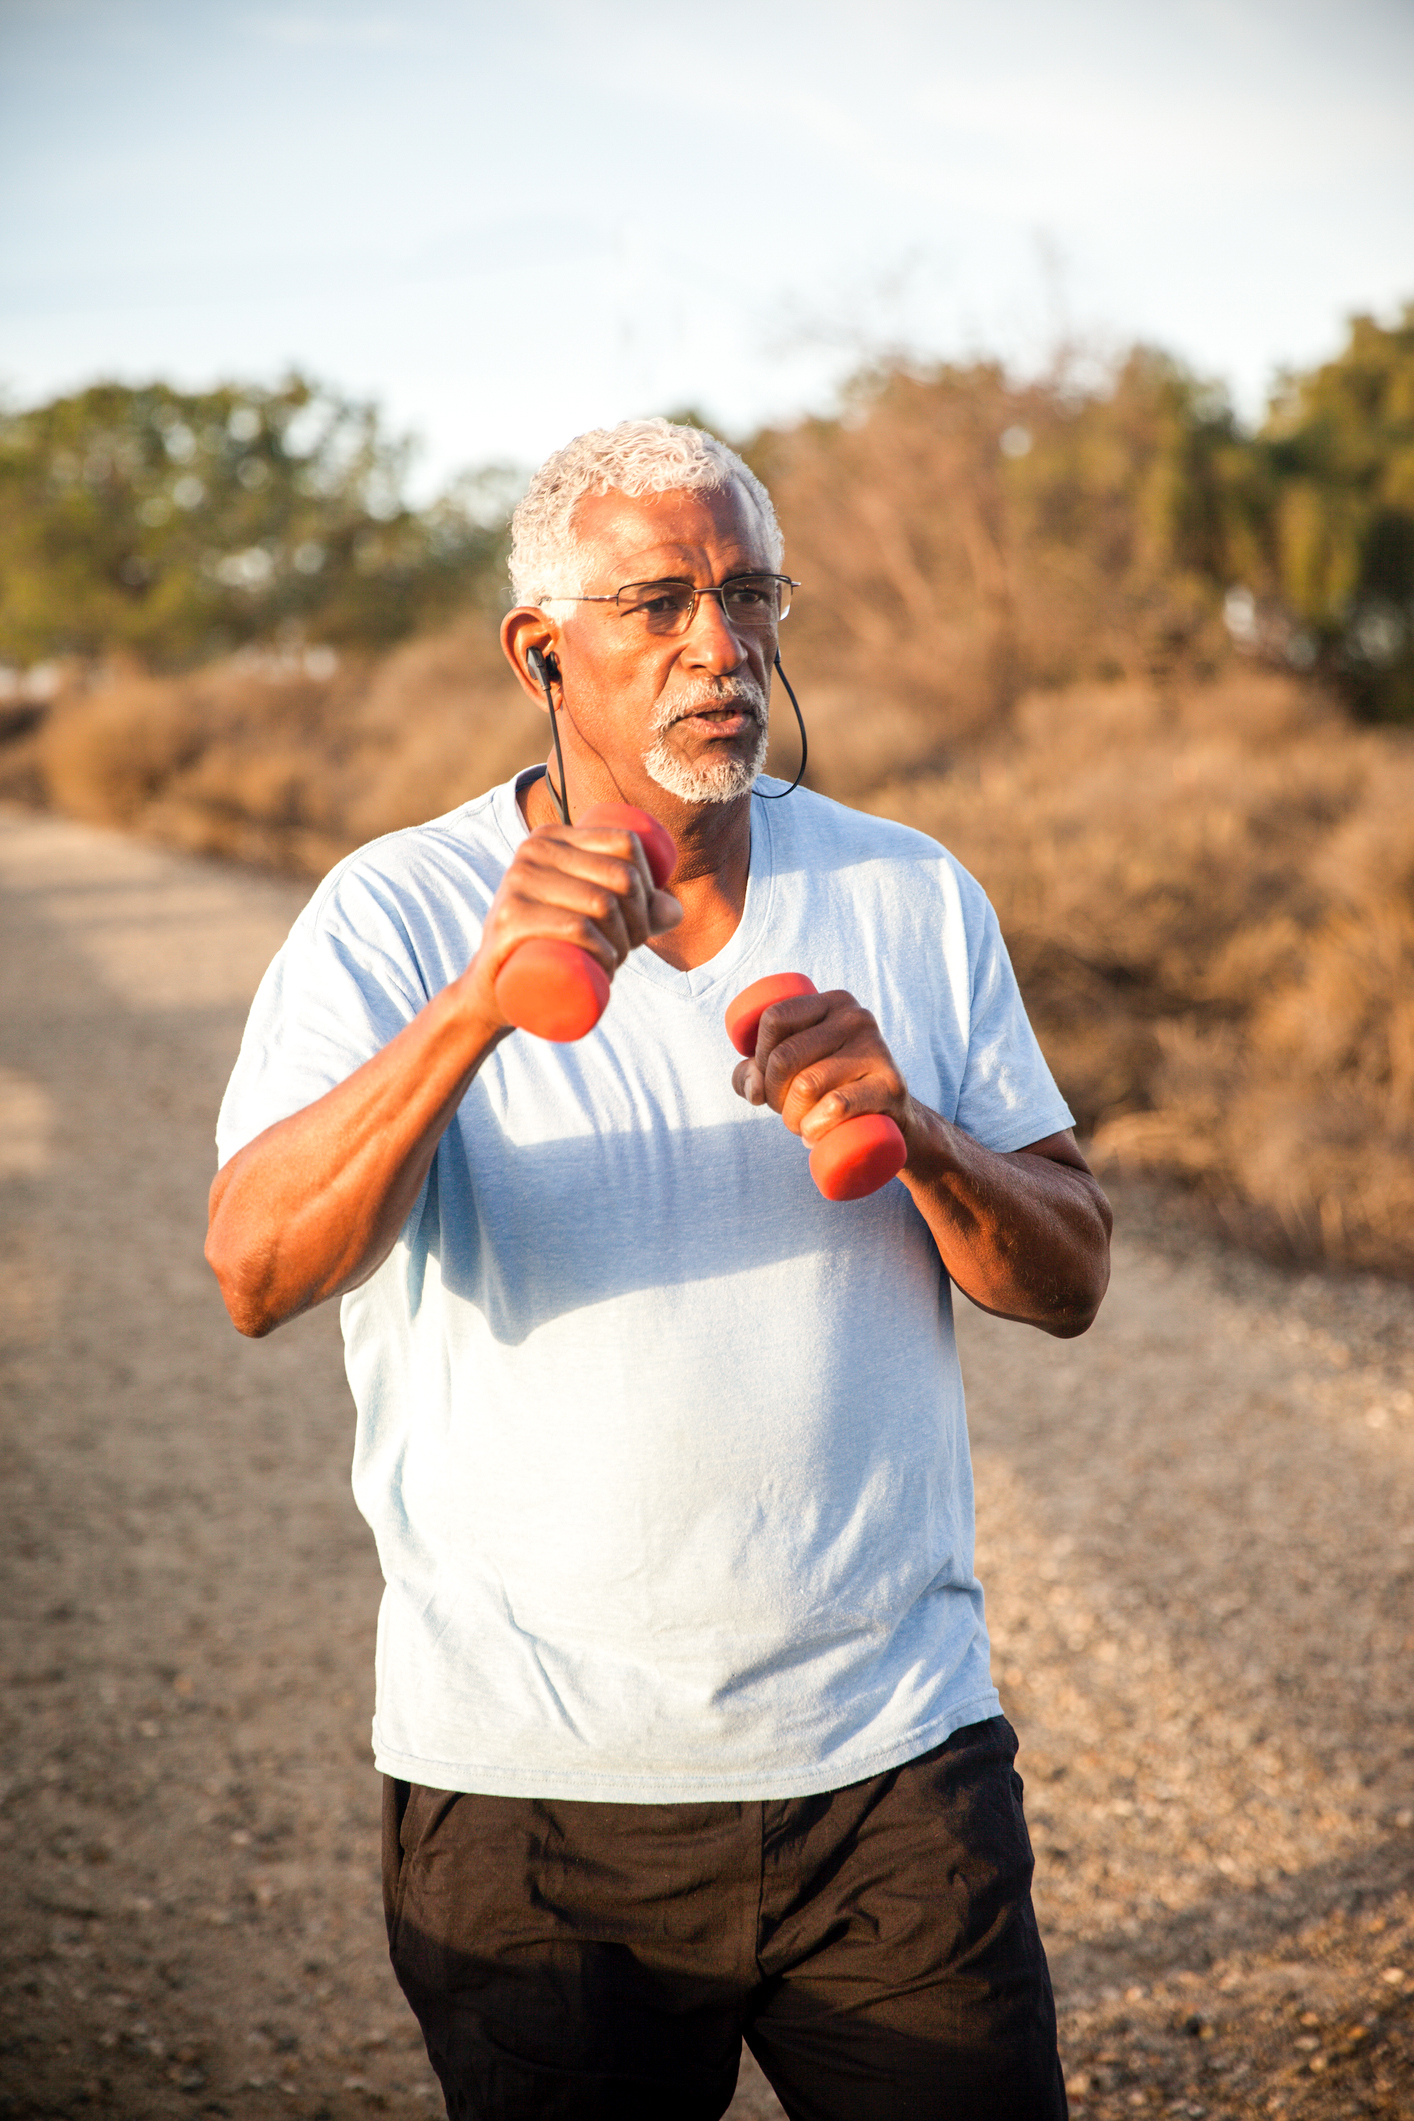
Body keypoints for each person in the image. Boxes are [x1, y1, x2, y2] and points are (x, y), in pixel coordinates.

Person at [207, 417, 1111, 2121]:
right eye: (660, 602)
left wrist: (912, 1130)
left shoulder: (905, 893)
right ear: (537, 648)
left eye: (751, 594)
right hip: (532, 1793)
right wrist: (477, 1007)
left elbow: (1065, 1275)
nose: (724, 645)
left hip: (892, 1769)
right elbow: (256, 1265)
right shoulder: (390, 914)